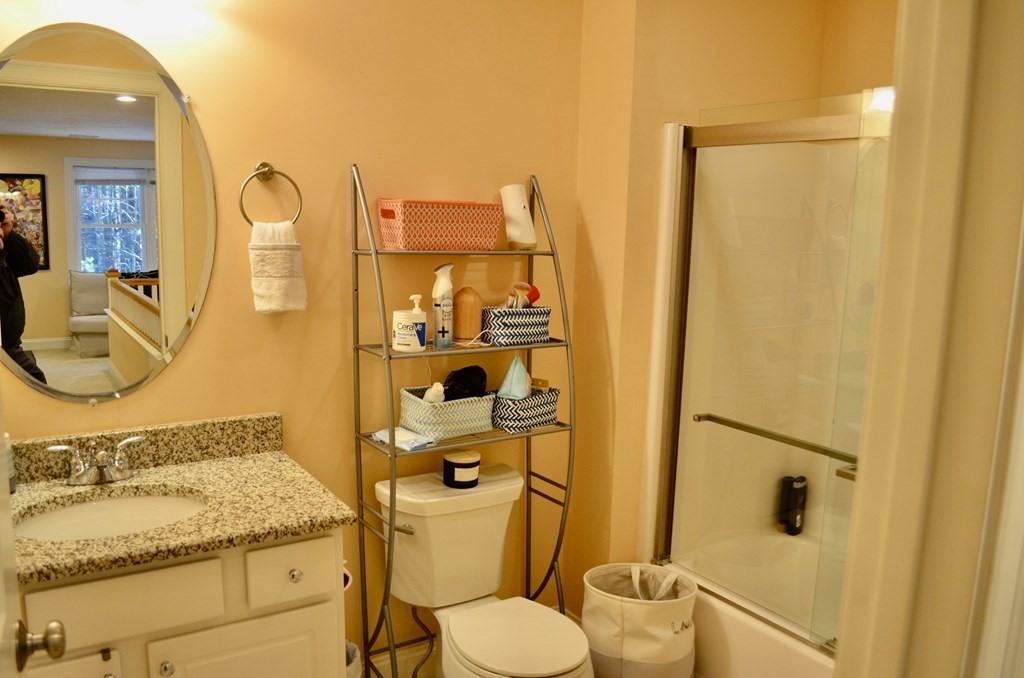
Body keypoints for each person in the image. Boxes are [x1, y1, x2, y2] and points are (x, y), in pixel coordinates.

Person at [0, 202, 46, 383]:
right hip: (5, 345)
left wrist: (9, 234)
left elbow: (30, 265)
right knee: (37, 385)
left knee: (37, 384)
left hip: (9, 342)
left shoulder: (5, 246)